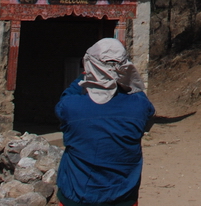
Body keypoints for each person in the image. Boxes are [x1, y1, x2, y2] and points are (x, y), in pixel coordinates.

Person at [55, 38, 155, 206]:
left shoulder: (71, 107)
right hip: (123, 198)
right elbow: (141, 98)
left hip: (77, 197)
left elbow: (66, 97)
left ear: (89, 66)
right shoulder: (139, 107)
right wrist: (126, 79)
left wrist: (84, 75)